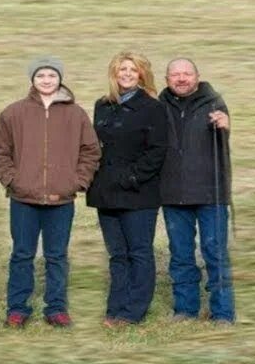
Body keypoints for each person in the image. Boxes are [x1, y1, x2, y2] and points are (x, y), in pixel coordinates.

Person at [0, 56, 100, 329]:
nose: (46, 80)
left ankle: (56, 308)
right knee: (22, 254)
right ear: (32, 80)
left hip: (62, 200)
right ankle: (17, 308)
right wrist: (14, 181)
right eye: (41, 76)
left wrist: (77, 182)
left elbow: (91, 152)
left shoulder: (76, 114)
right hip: (24, 199)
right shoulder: (13, 113)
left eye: (51, 75)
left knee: (57, 255)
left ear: (60, 78)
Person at [85, 52, 168, 328]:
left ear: (142, 75)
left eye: (134, 70)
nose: (128, 74)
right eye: (123, 69)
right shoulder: (102, 105)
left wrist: (132, 177)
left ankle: (133, 312)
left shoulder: (152, 108)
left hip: (138, 193)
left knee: (139, 251)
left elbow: (157, 151)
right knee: (117, 253)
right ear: (114, 73)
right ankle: (115, 307)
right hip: (105, 192)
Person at [158, 57, 235, 324]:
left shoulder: (214, 101)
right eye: (175, 74)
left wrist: (225, 125)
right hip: (173, 193)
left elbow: (223, 129)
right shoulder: (159, 106)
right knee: (180, 255)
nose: (181, 78)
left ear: (197, 76)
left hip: (210, 193)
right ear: (167, 79)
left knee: (215, 253)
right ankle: (185, 310)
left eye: (187, 74)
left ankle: (223, 313)